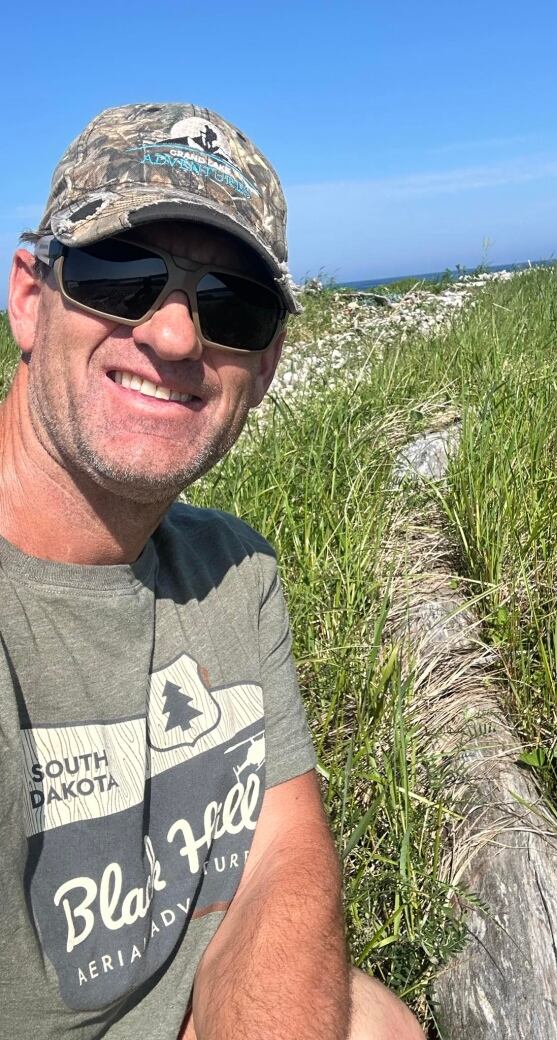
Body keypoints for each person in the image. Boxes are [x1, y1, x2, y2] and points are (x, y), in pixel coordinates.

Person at [0, 102, 424, 1040]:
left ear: (266, 363)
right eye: (123, 275)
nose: (177, 337)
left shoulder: (235, 569)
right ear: (31, 297)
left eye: (231, 306)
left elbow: (283, 849)